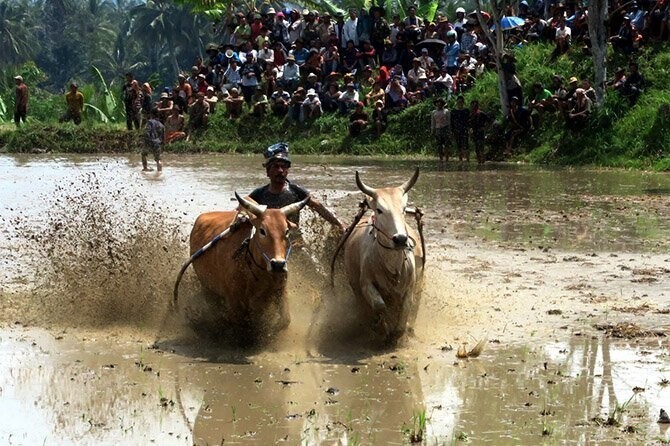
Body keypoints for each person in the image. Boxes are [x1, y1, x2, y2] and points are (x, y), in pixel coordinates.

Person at [248, 143, 345, 230]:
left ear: (287, 171)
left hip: (293, 240)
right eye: (276, 166)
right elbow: (243, 207)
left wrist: (339, 224)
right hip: (269, 240)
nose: (280, 171)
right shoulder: (259, 194)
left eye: (283, 167)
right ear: (268, 171)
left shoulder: (296, 191)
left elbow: (318, 207)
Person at [431, 97, 450, 161]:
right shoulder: (434, 112)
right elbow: (433, 122)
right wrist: (432, 130)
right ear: (435, 104)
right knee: (439, 145)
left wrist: (449, 130)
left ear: (442, 103)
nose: (438, 104)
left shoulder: (446, 111)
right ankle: (441, 158)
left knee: (446, 144)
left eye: (440, 103)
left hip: (445, 128)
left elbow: (448, 121)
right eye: (437, 103)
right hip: (438, 129)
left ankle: (447, 158)